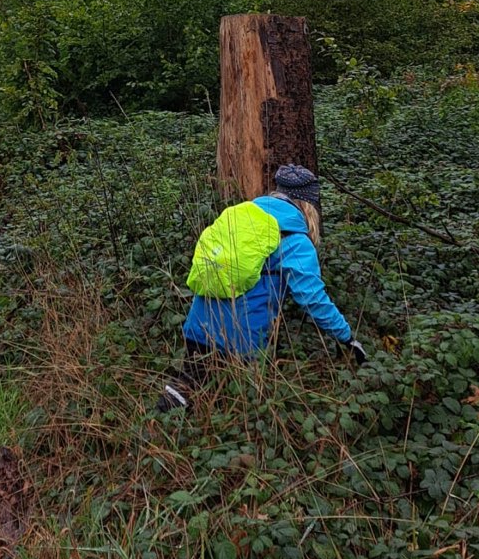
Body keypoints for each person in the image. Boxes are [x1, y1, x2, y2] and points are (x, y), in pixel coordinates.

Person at [156, 163, 365, 412]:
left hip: (200, 322)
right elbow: (312, 298)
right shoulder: (293, 239)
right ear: (309, 206)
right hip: (242, 338)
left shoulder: (241, 214)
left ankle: (155, 432)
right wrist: (346, 337)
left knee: (185, 388)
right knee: (242, 407)